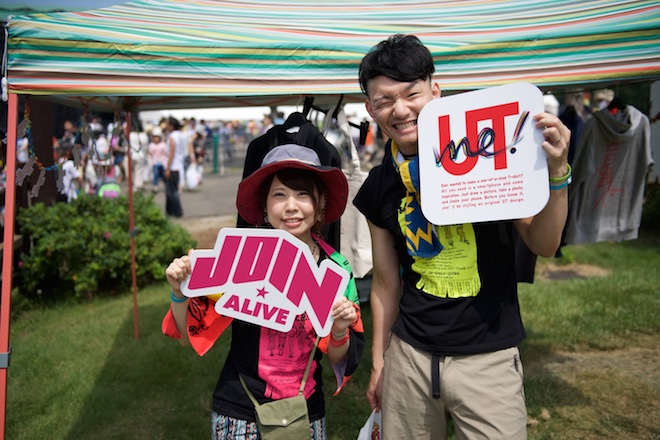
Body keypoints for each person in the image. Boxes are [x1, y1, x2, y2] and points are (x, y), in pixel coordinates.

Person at [353, 34, 571, 439]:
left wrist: (558, 174)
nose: (400, 110)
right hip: (410, 356)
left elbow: (543, 243)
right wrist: (381, 362)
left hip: (488, 356)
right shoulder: (379, 185)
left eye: (412, 94)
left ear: (435, 92)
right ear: (370, 109)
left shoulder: (488, 155)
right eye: (384, 101)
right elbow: (384, 283)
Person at [163, 143, 365, 439]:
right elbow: (185, 333)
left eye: (302, 194)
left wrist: (339, 329)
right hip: (238, 411)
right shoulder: (239, 256)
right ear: (265, 205)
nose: (291, 206)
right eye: (279, 195)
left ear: (320, 202)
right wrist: (179, 291)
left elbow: (339, 358)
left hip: (304, 413)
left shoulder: (335, 270)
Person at [164, 117, 185, 217]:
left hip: (173, 166)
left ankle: (177, 211)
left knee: (172, 191)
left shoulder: (173, 137)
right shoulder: (180, 135)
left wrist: (168, 168)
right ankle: (171, 210)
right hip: (178, 165)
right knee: (173, 190)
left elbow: (171, 152)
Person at [147, 127, 168, 193]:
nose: (156, 139)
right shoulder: (151, 145)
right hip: (155, 162)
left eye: (157, 137)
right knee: (155, 174)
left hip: (162, 162)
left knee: (164, 175)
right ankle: (155, 186)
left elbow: (166, 153)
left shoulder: (163, 145)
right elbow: (149, 153)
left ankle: (167, 186)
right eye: (154, 137)